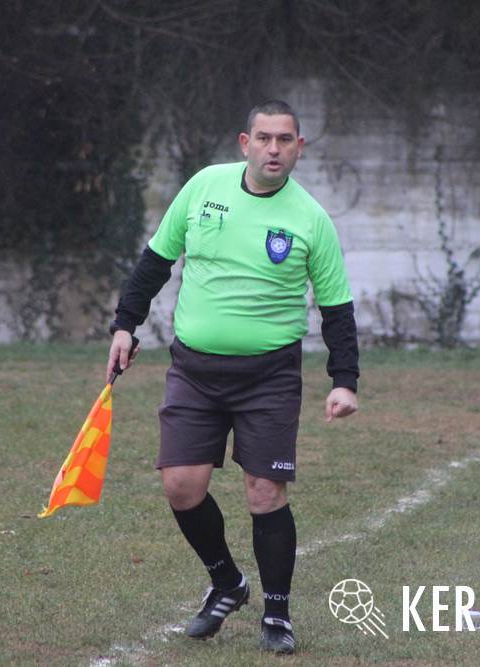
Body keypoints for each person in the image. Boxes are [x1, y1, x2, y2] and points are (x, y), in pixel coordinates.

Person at [106, 99, 359, 655]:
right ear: (245, 143)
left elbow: (336, 308)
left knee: (264, 492)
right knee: (181, 485)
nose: (274, 149)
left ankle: (277, 615)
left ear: (299, 147)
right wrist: (125, 325)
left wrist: (345, 380)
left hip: (269, 375)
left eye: (285, 140)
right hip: (194, 370)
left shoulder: (310, 219)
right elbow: (156, 261)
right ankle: (227, 583)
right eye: (264, 138)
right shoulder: (204, 188)